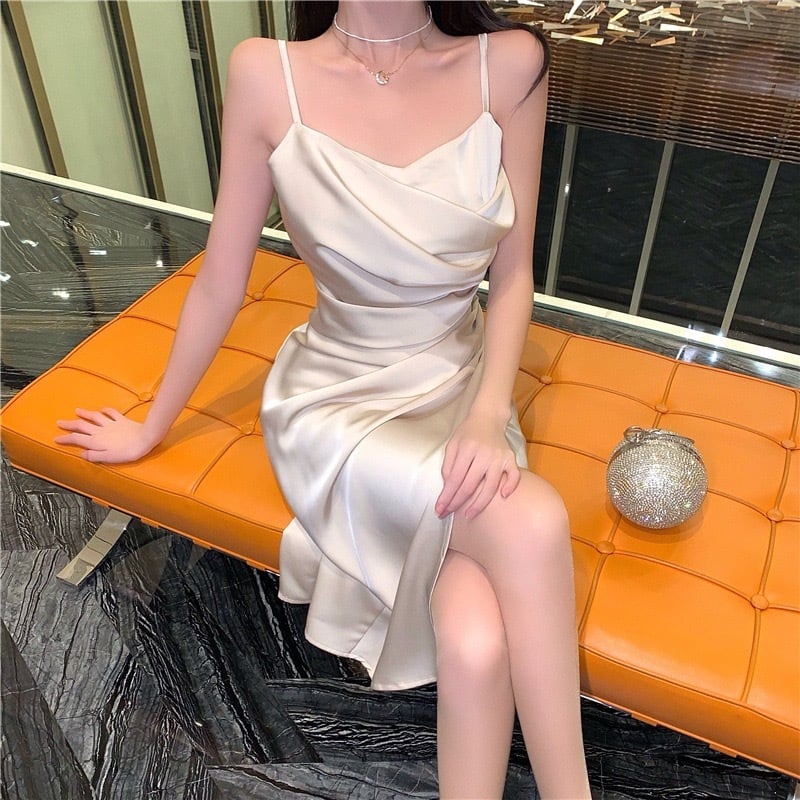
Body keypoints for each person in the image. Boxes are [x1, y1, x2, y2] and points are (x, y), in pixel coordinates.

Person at [56, 2, 592, 797]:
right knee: (534, 521)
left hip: (463, 387)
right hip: (339, 402)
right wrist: (151, 426)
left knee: (477, 644)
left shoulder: (509, 64)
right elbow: (221, 280)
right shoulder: (265, 74)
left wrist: (487, 413)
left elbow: (513, 276)